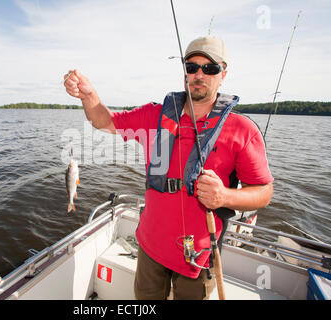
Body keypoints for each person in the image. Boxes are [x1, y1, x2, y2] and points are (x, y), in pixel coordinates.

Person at [64, 35, 273, 300]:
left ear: (223, 74)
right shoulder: (155, 115)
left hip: (198, 259)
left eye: (209, 68)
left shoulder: (243, 130)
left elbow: (264, 192)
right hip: (150, 249)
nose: (199, 74)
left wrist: (226, 196)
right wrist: (89, 95)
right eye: (191, 67)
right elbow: (105, 121)